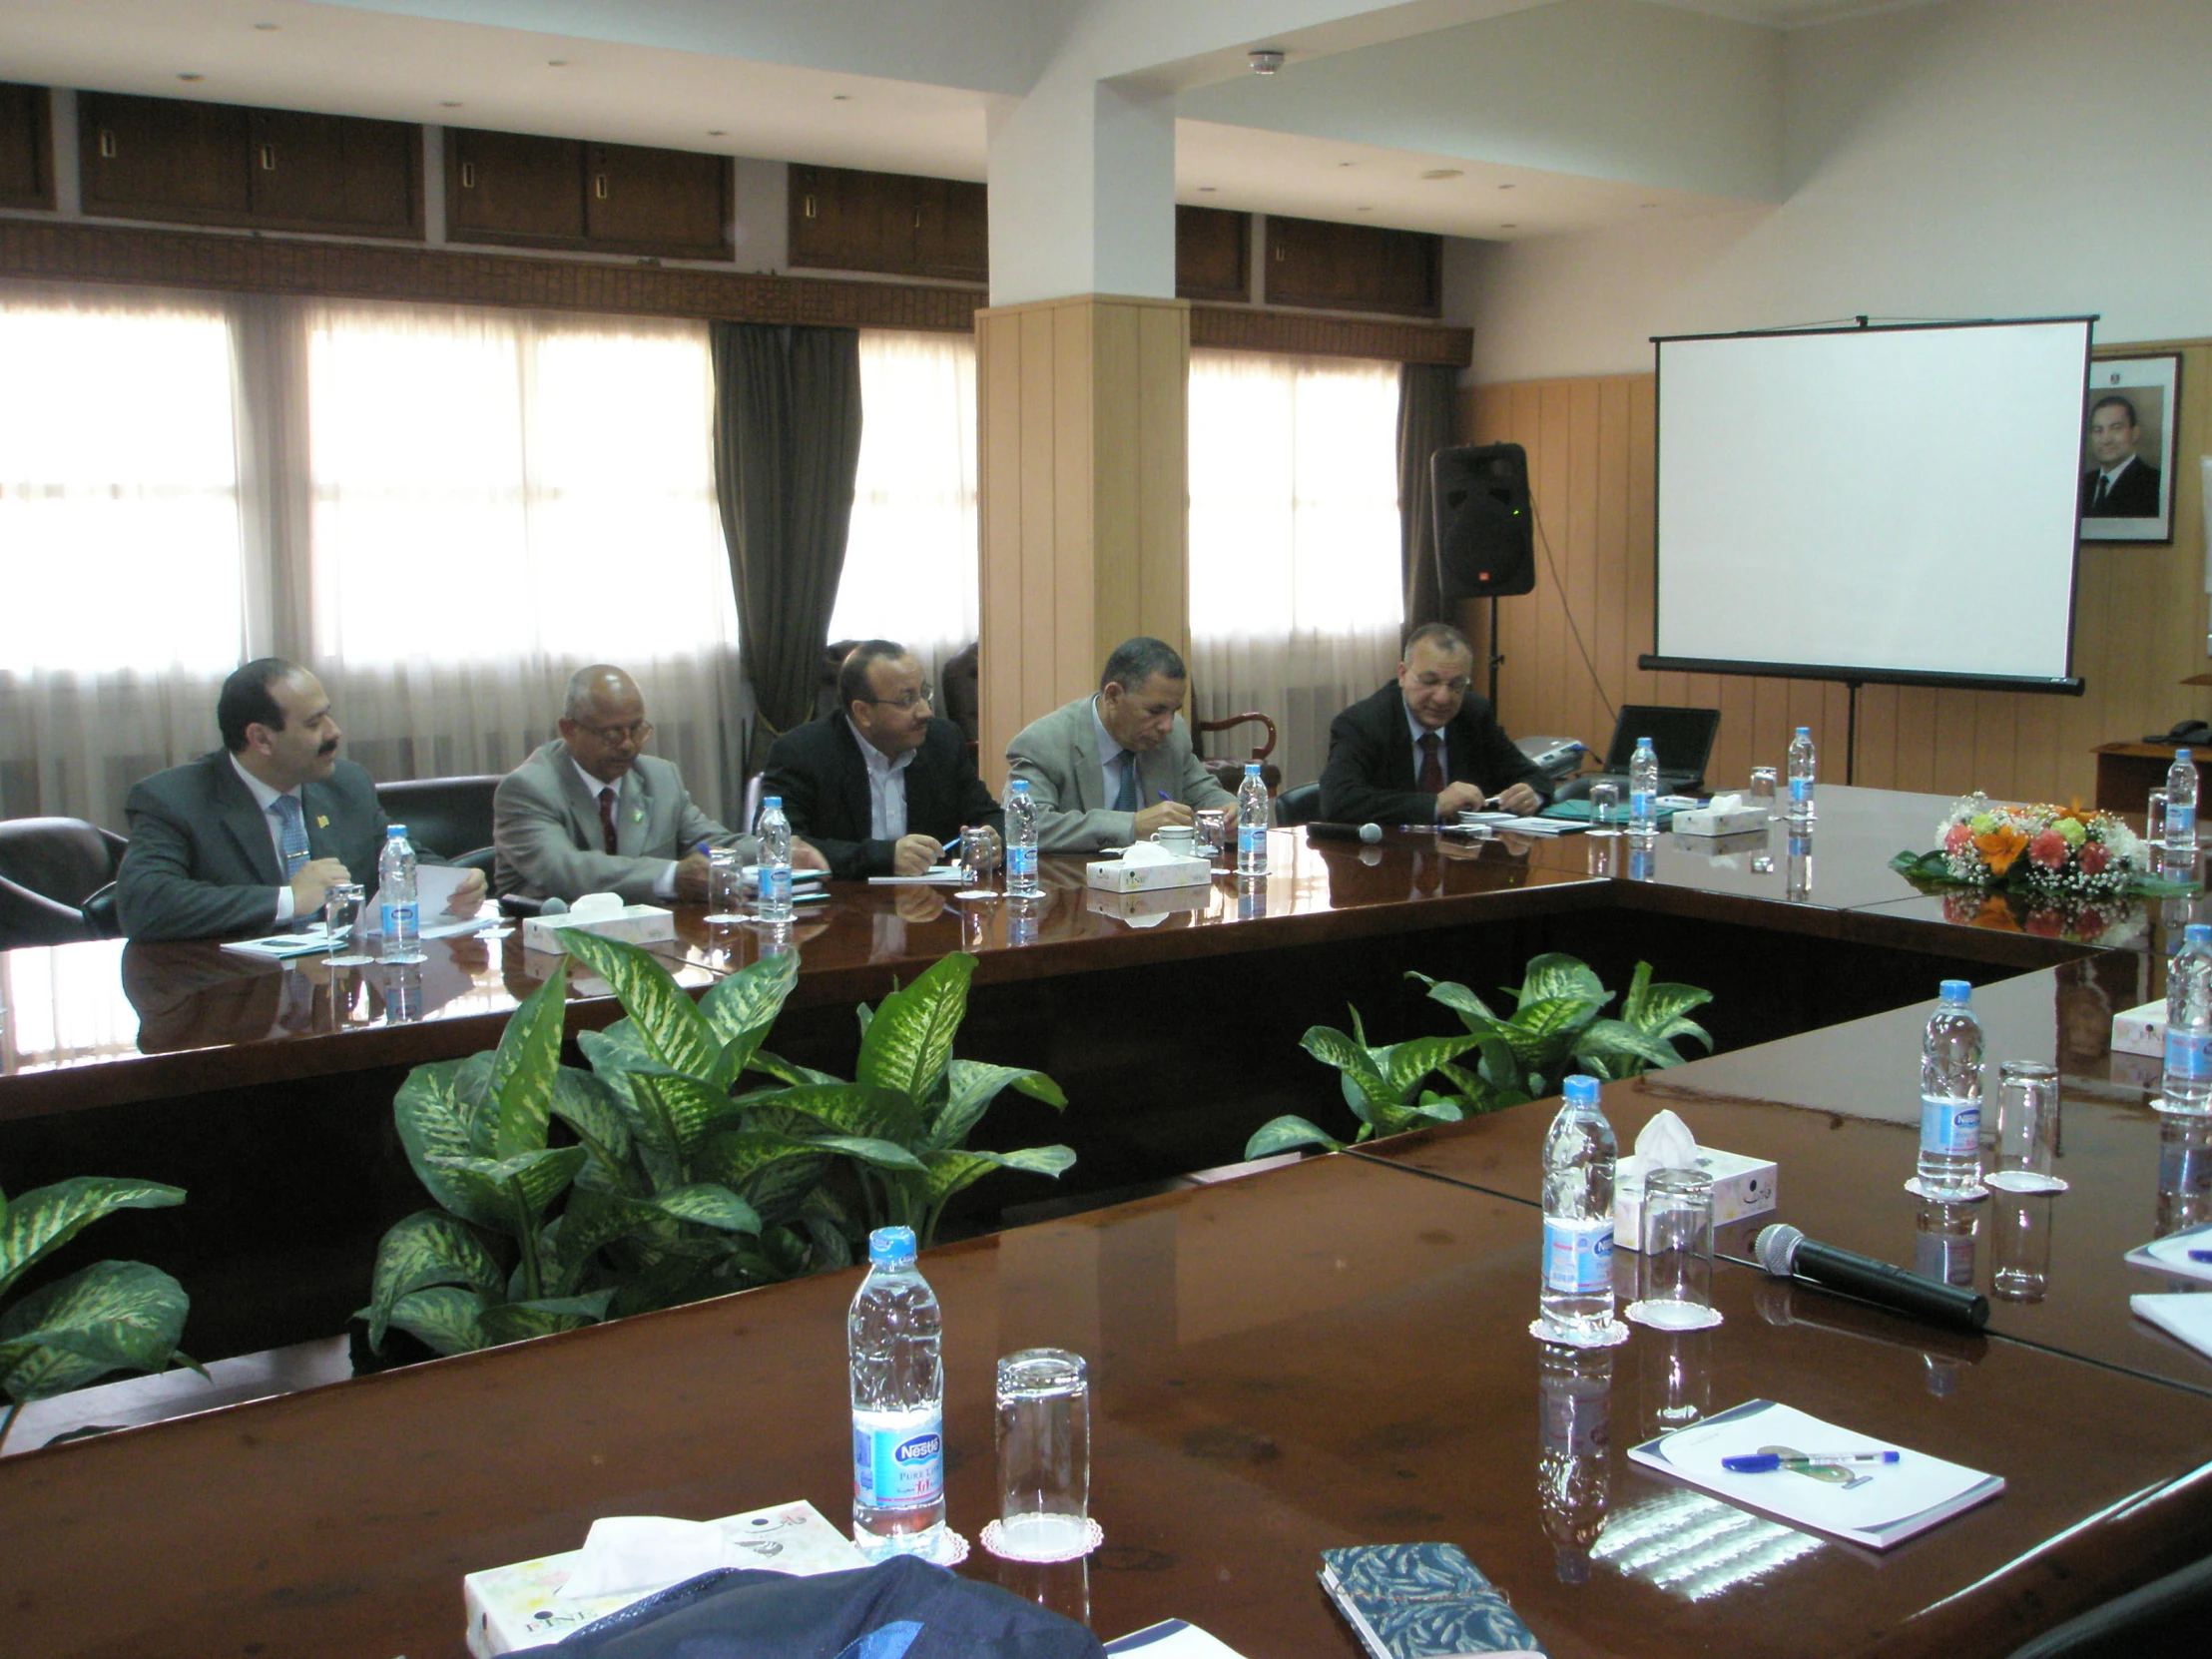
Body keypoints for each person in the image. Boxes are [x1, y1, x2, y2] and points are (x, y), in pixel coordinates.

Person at [116, 658, 486, 942]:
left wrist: (456, 884)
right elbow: (145, 904)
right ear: (261, 739)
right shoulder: (174, 799)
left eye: (328, 715)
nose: (334, 732)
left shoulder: (347, 785)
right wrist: (289, 899)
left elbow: (391, 855)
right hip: (233, 1002)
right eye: (313, 724)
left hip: (341, 993)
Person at [494, 664, 824, 904]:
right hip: (548, 950)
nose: (627, 745)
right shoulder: (528, 789)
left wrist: (776, 852)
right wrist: (671, 877)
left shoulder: (659, 778)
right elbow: (565, 871)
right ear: (569, 730)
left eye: (636, 729)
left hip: (646, 941)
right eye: (612, 733)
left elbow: (708, 845)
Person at [760, 641, 1004, 881]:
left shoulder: (943, 741)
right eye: (906, 700)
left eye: (923, 694)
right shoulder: (800, 752)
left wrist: (992, 840)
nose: (925, 712)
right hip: (839, 907)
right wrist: (883, 856)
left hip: (931, 906)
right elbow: (779, 844)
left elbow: (990, 815)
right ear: (863, 712)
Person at [1004, 636, 1245, 852]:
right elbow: (1025, 826)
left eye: (1173, 711)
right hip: (1073, 888)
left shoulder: (1172, 736)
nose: (1166, 725)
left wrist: (1230, 810)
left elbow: (1205, 794)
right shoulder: (1043, 743)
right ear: (1113, 696)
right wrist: (1131, 826)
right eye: (1155, 710)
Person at [1319, 623, 1552, 827]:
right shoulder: (1363, 723)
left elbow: (1534, 776)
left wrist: (1532, 793)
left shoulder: (1474, 714)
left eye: (1456, 685)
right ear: (1402, 674)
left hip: (1463, 862)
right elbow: (1339, 801)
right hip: (1385, 861)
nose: (1442, 698)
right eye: (1430, 681)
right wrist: (1434, 804)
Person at [2080, 393, 2163, 517]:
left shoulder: (2155, 484)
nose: (2105, 440)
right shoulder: (2082, 484)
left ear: (2135, 433)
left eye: (2116, 428)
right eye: (2098, 430)